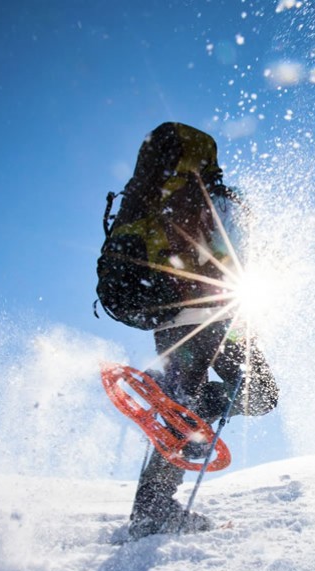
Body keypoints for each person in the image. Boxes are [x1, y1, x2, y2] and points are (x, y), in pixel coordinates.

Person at [99, 122, 278, 539]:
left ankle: (153, 508)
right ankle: (186, 422)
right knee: (259, 393)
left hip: (171, 321)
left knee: (182, 412)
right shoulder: (216, 199)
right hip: (217, 319)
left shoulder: (153, 200)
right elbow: (237, 259)